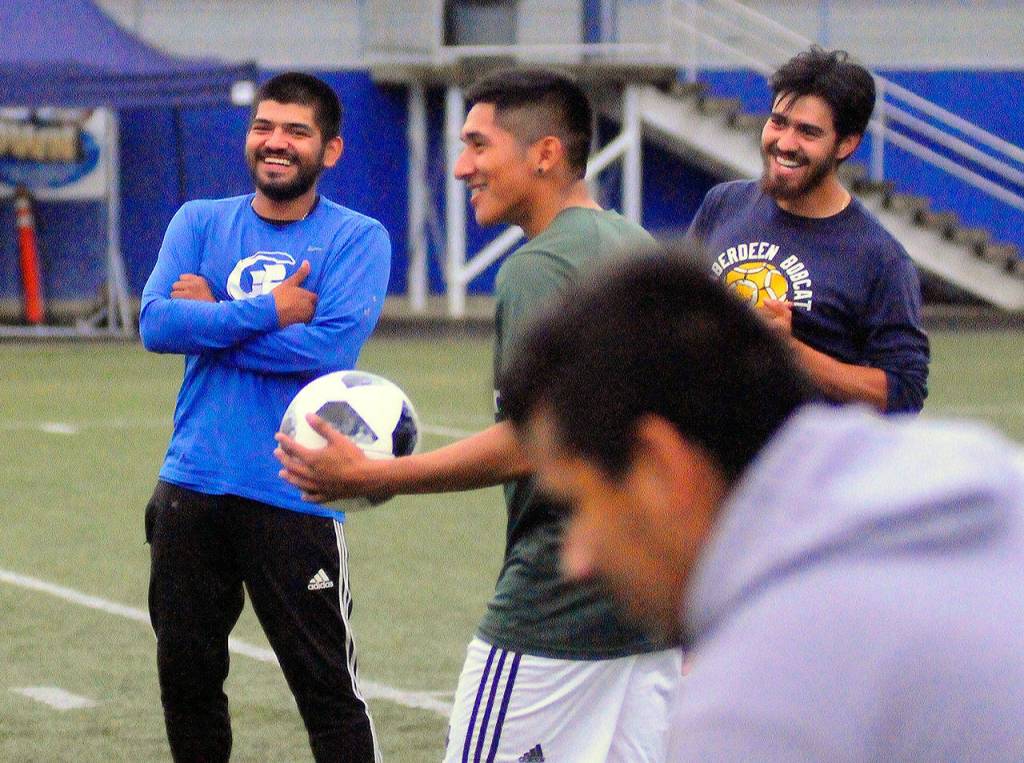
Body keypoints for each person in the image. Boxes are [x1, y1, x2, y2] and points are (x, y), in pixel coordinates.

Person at [275, 69, 682, 762]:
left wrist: (380, 472)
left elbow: (536, 440)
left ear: (545, 154)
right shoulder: (634, 245)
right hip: (650, 604)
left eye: (478, 145)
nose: (461, 166)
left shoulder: (540, 268)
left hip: (558, 605)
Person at [500, 245, 1024, 762]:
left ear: (662, 467)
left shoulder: (758, 705)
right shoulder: (982, 470)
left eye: (582, 505)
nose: (578, 559)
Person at [139, 72, 391, 763]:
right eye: (264, 127)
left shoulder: (356, 238)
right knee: (186, 683)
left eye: (296, 131)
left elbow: (325, 348)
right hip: (190, 486)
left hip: (294, 490)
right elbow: (158, 325)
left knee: (327, 692)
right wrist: (261, 307)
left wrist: (211, 313)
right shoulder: (198, 220)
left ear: (329, 150)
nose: (275, 143)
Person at [687, 46, 929, 414]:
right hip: (715, 459)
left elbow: (904, 392)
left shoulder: (880, 259)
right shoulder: (723, 204)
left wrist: (790, 351)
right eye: (779, 122)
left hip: (808, 466)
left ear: (846, 144)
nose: (785, 143)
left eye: (808, 132)